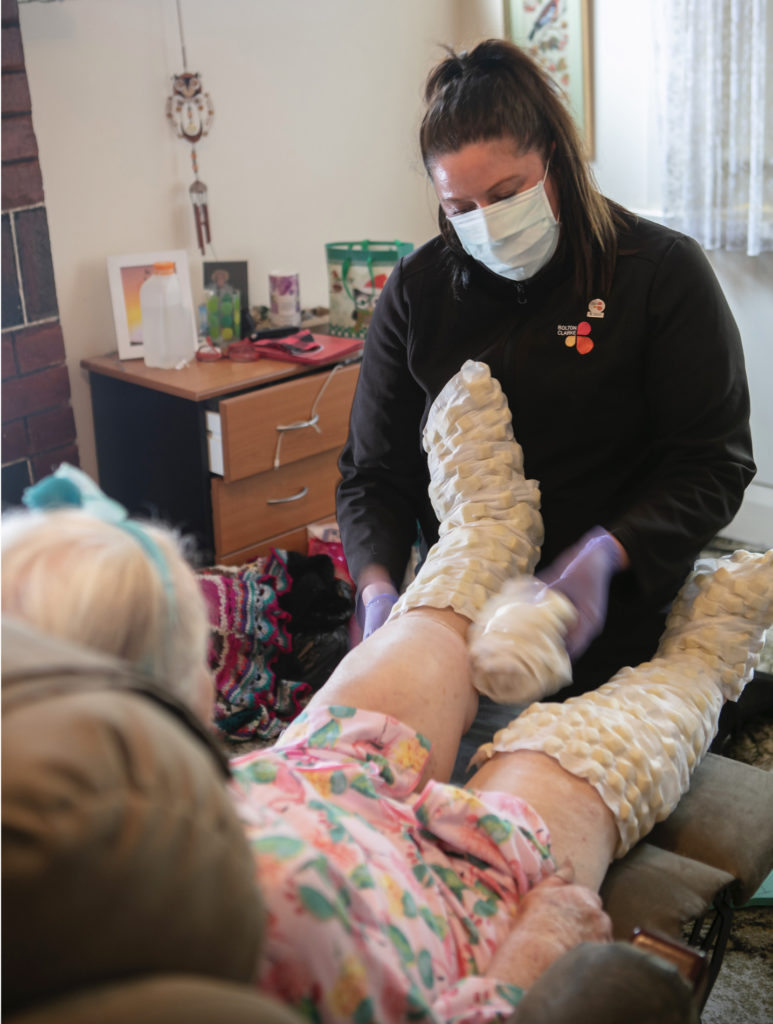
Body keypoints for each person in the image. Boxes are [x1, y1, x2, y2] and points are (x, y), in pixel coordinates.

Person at [4, 365, 771, 1024]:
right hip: (445, 897)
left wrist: (380, 599)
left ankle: (483, 535)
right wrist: (533, 954)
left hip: (302, 780)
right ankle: (701, 663)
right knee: (572, 758)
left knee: (414, 643)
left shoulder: (67, 793)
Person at [337, 38, 756, 696]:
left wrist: (603, 555)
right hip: (461, 606)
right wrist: (377, 588)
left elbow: (713, 462)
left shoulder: (658, 273)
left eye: (507, 193)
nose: (487, 224)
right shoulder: (417, 292)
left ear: (554, 159)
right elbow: (372, 475)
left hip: (609, 608)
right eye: (460, 210)